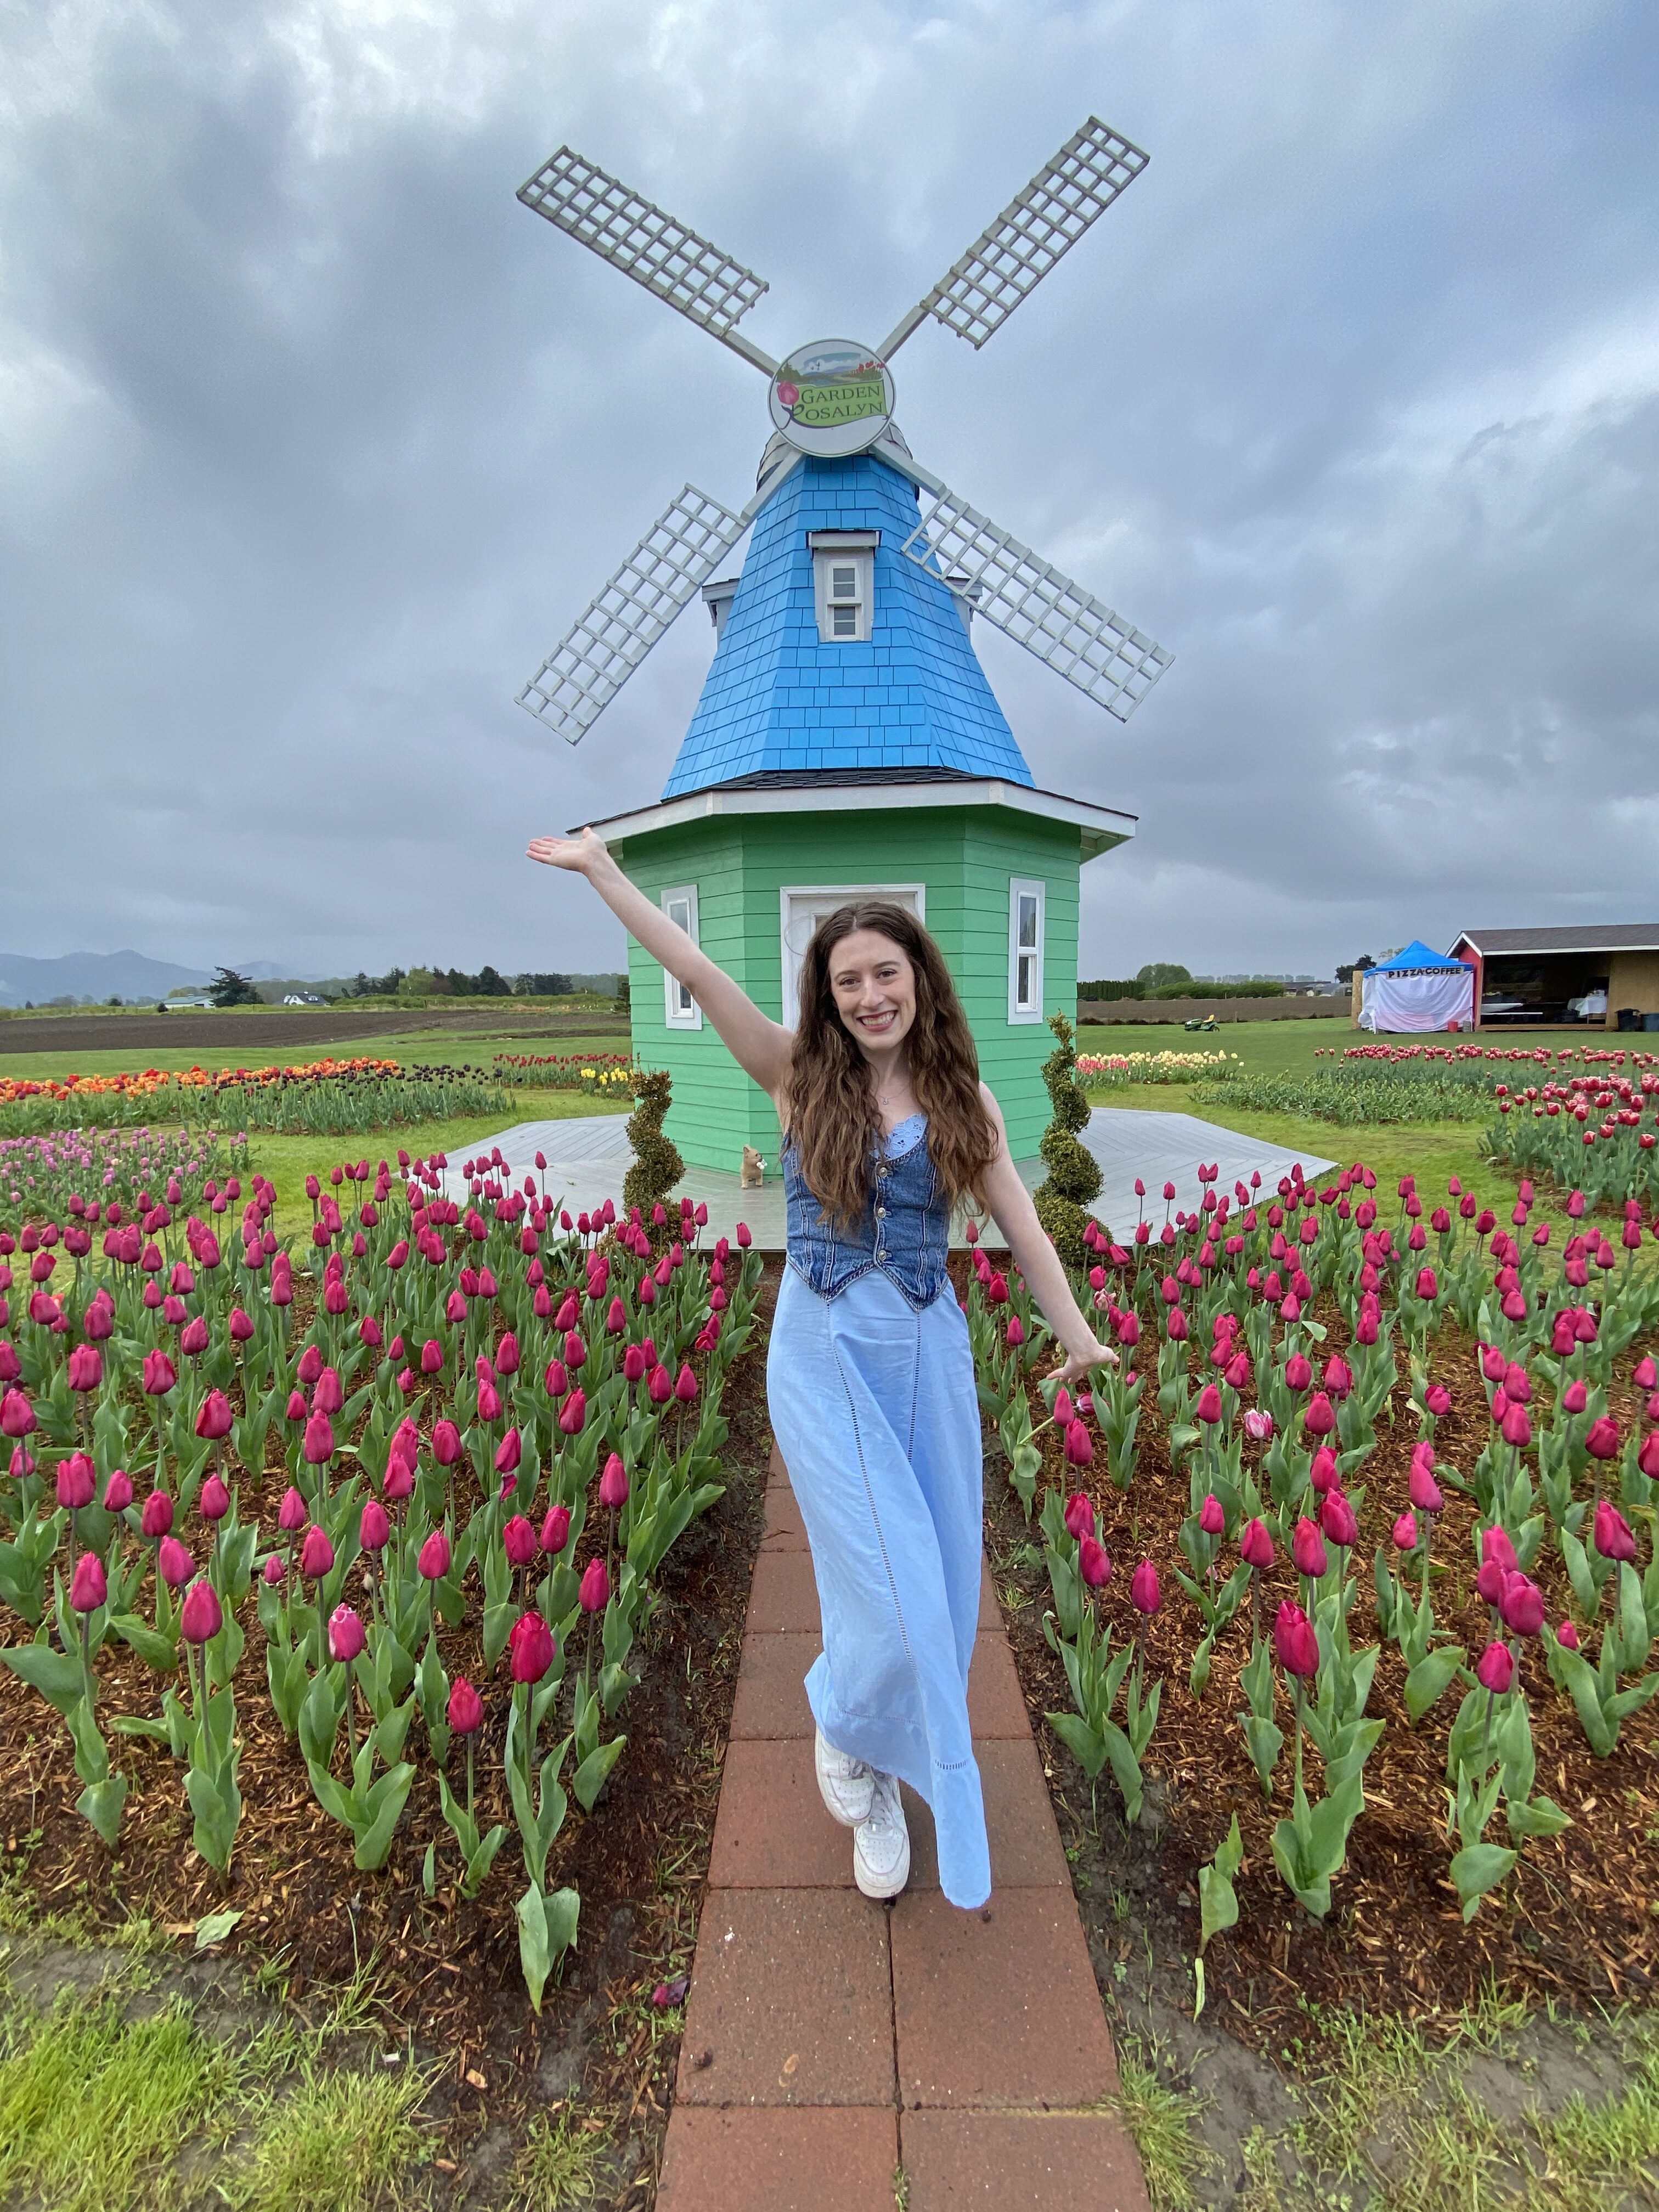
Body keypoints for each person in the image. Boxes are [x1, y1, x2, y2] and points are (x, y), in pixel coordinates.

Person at [527, 828, 1115, 1909]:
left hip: (927, 1357)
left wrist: (1074, 1332)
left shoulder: (964, 1103)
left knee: (934, 1589)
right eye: (849, 980)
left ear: (919, 978)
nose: (870, 994)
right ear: (829, 994)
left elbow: (1023, 1226)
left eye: (887, 972)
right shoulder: (798, 1077)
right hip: (825, 1356)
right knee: (885, 1602)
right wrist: (608, 872)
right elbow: (699, 973)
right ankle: (852, 1748)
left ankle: (879, 1755)